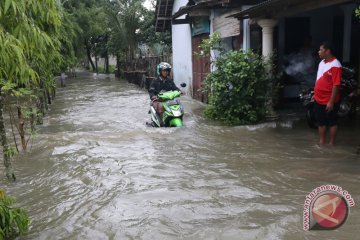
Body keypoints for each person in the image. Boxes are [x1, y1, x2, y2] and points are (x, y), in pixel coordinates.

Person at [313, 42, 342, 146]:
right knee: (320, 121)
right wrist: (314, 94)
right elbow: (318, 79)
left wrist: (331, 101)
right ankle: (321, 142)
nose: (318, 51)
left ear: (327, 51)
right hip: (318, 98)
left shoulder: (336, 65)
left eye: (321, 50)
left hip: (329, 100)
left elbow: (336, 85)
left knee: (332, 121)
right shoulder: (321, 63)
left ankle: (332, 143)